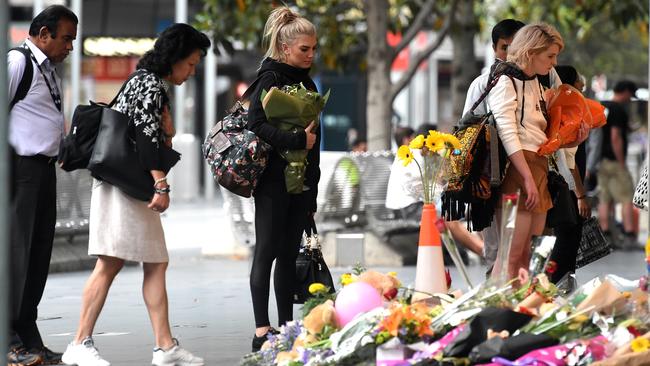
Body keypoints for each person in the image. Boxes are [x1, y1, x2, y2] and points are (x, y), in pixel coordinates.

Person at [61, 23, 209, 366]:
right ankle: (79, 343)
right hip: (123, 187)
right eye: (190, 63)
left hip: (124, 184)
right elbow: (145, 139)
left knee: (155, 262)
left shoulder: (146, 81)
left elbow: (148, 135)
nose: (192, 71)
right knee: (110, 262)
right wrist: (161, 183)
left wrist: (166, 137)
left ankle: (165, 346)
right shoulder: (149, 84)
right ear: (173, 59)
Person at [246, 7, 320, 352]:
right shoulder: (269, 78)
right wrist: (295, 141)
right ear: (286, 46)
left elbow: (315, 139)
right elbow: (255, 124)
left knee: (289, 254)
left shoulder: (307, 83)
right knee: (267, 252)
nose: (310, 55)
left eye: (314, 49)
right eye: (304, 49)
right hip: (272, 181)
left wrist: (313, 189)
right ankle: (262, 329)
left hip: (301, 182)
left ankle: (288, 327)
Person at [7, 5, 77, 365]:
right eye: (66, 39)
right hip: (19, 171)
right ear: (44, 34)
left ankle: (29, 337)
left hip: (44, 171)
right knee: (15, 257)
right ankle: (9, 341)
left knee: (37, 256)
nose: (70, 47)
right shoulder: (18, 63)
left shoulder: (49, 70)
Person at [486, 23, 579, 281]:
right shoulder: (505, 81)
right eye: (550, 56)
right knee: (511, 254)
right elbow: (507, 132)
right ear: (530, 52)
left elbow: (541, 136)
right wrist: (526, 176)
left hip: (536, 167)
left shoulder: (536, 85)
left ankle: (519, 311)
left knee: (528, 255)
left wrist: (571, 136)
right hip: (518, 170)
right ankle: (495, 310)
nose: (554, 62)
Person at [595, 80, 638, 250]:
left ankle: (606, 235)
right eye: (630, 95)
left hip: (600, 161)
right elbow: (615, 136)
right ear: (625, 91)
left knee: (604, 198)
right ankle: (628, 234)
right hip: (614, 160)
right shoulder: (619, 110)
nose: (629, 99)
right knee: (627, 197)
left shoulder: (602, 106)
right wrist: (622, 162)